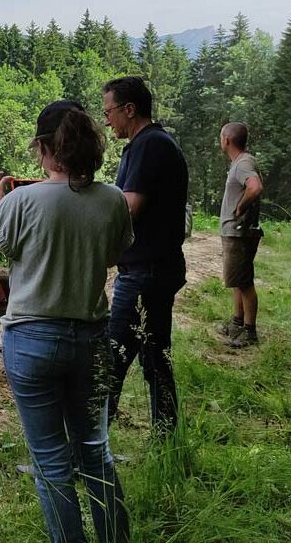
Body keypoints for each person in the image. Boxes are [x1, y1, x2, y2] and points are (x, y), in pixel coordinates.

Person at [0, 100, 132, 543]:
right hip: (92, 339)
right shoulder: (113, 200)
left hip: (32, 340)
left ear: (43, 148)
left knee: (52, 463)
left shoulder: (20, 201)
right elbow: (114, 256)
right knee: (96, 454)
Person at [102, 76, 188, 435]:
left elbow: (131, 205)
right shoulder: (153, 143)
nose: (107, 120)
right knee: (156, 360)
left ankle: (86, 453)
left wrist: (91, 207)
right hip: (156, 269)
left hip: (144, 273)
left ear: (130, 109)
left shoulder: (149, 145)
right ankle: (167, 439)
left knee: (110, 362)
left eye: (109, 112)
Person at [216, 122, 264, 348]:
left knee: (244, 282)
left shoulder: (242, 164)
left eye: (220, 137)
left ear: (226, 140)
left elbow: (255, 187)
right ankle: (237, 322)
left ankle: (249, 332)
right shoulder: (242, 162)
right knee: (237, 280)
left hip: (239, 232)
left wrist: (240, 208)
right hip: (237, 232)